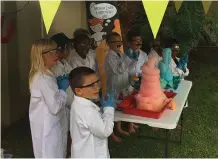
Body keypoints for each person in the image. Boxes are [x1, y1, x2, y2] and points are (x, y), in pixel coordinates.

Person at [29, 39, 69, 158]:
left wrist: (57, 86)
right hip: (48, 127)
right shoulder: (43, 78)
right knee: (50, 153)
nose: (56, 54)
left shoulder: (46, 75)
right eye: (50, 52)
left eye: (56, 51)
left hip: (48, 125)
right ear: (39, 56)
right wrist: (62, 90)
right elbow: (55, 107)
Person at [69, 67, 115, 158]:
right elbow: (105, 131)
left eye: (97, 82)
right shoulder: (87, 111)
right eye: (92, 85)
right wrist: (109, 109)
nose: (97, 87)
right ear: (78, 90)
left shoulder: (78, 104)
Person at [104, 32, 139, 142]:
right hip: (115, 86)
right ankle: (111, 133)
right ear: (108, 43)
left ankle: (121, 127)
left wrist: (134, 59)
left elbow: (128, 67)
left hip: (123, 84)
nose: (118, 43)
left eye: (119, 41)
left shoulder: (120, 53)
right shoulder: (109, 56)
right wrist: (128, 58)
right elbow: (118, 70)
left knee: (122, 106)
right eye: (114, 41)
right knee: (113, 109)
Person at [50, 33, 73, 157]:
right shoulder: (54, 68)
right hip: (62, 105)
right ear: (60, 49)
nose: (70, 50)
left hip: (69, 103)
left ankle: (68, 154)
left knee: (69, 132)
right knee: (61, 136)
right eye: (68, 47)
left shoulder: (64, 63)